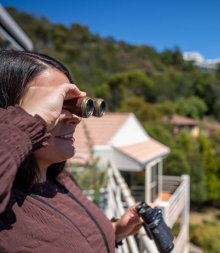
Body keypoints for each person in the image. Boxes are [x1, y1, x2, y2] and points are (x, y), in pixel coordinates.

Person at [0, 50, 143, 253]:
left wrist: (115, 231)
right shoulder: (8, 208)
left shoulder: (60, 180)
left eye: (72, 106)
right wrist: (31, 120)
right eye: (55, 105)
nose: (75, 118)